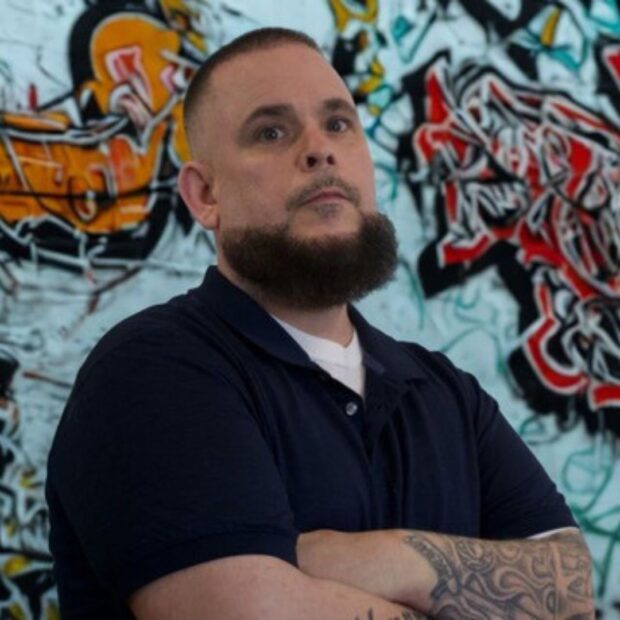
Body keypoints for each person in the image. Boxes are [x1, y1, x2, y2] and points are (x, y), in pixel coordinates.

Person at [46, 27, 594, 619]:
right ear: (205, 195)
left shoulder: (445, 394)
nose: (319, 150)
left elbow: (571, 594)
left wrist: (393, 559)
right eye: (271, 132)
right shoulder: (155, 372)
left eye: (338, 123)